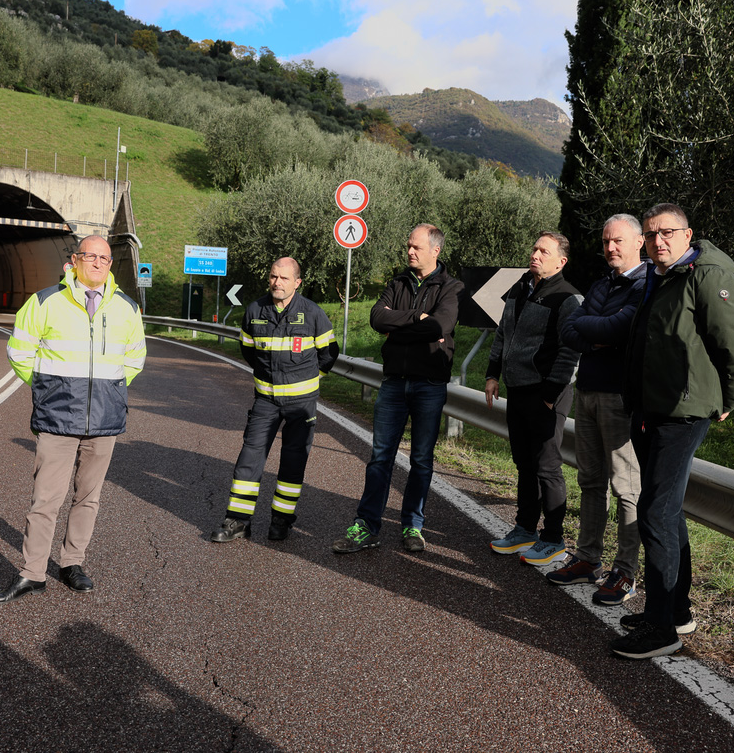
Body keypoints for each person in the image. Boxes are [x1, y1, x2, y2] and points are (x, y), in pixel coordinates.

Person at [609, 203, 734, 660]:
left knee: (654, 510)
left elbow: (733, 345)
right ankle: (676, 609)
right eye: (650, 235)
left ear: (688, 234)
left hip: (684, 410)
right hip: (652, 408)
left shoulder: (706, 275)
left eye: (667, 233)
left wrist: (727, 400)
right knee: (665, 511)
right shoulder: (660, 274)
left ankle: (661, 628)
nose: (658, 241)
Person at [0, 235, 147, 605]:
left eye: (104, 258)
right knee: (46, 500)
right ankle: (32, 573)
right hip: (57, 417)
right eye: (89, 256)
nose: (97, 263)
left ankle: (72, 563)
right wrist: (46, 391)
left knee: (88, 498)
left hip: (105, 420)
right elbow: (19, 352)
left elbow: (135, 358)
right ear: (74, 261)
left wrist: (112, 393)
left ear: (111, 264)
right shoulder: (44, 302)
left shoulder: (126, 308)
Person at [332, 224, 463, 554]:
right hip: (393, 382)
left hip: (429, 385)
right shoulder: (398, 282)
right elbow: (378, 318)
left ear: (435, 250)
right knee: (380, 456)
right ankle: (367, 525)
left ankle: (413, 526)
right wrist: (417, 319)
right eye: (408, 245)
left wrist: (403, 323)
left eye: (416, 247)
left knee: (421, 459)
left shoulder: (451, 287)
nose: (409, 251)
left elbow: (440, 325)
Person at [550, 214, 646, 605]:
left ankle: (625, 572)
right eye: (606, 242)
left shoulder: (646, 284)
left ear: (639, 241)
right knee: (590, 481)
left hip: (619, 397)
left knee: (626, 486)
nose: (610, 248)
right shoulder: (601, 283)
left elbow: (621, 331)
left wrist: (595, 331)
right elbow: (570, 330)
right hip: (587, 389)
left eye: (618, 241)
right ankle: (588, 558)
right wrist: (598, 336)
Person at [211, 257, 338, 542]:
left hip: (301, 404)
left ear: (297, 282)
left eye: (283, 278)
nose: (276, 283)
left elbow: (329, 354)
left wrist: (309, 381)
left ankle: (281, 520)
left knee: (293, 462)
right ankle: (237, 521)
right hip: (265, 401)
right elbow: (248, 350)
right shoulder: (255, 310)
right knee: (249, 459)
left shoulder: (314, 314)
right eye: (272, 277)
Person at [485, 232, 583, 565]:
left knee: (547, 466)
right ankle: (525, 529)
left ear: (561, 261)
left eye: (544, 251)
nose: (536, 255)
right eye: (535, 248)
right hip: (518, 390)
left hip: (546, 395)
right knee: (524, 464)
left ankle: (553, 539)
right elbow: (502, 332)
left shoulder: (567, 298)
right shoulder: (520, 289)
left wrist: (551, 393)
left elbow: (572, 350)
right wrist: (491, 373)